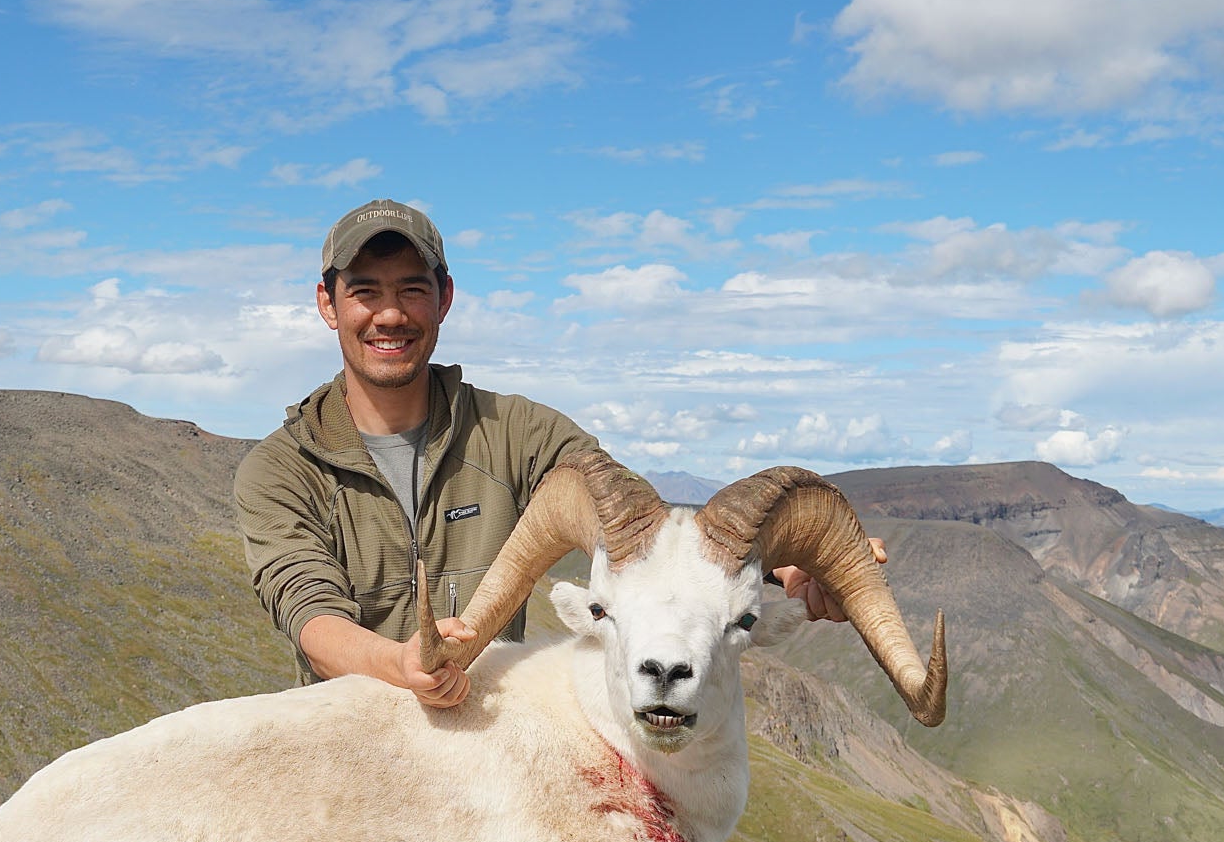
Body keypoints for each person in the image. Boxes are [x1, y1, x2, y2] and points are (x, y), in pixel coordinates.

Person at [235, 198, 875, 710]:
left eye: (411, 290)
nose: (390, 315)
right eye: (365, 291)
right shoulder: (280, 470)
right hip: (354, 745)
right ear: (329, 303)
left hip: (495, 742)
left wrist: (787, 571)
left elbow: (639, 530)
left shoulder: (519, 432)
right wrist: (398, 665)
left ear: (444, 298)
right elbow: (310, 614)